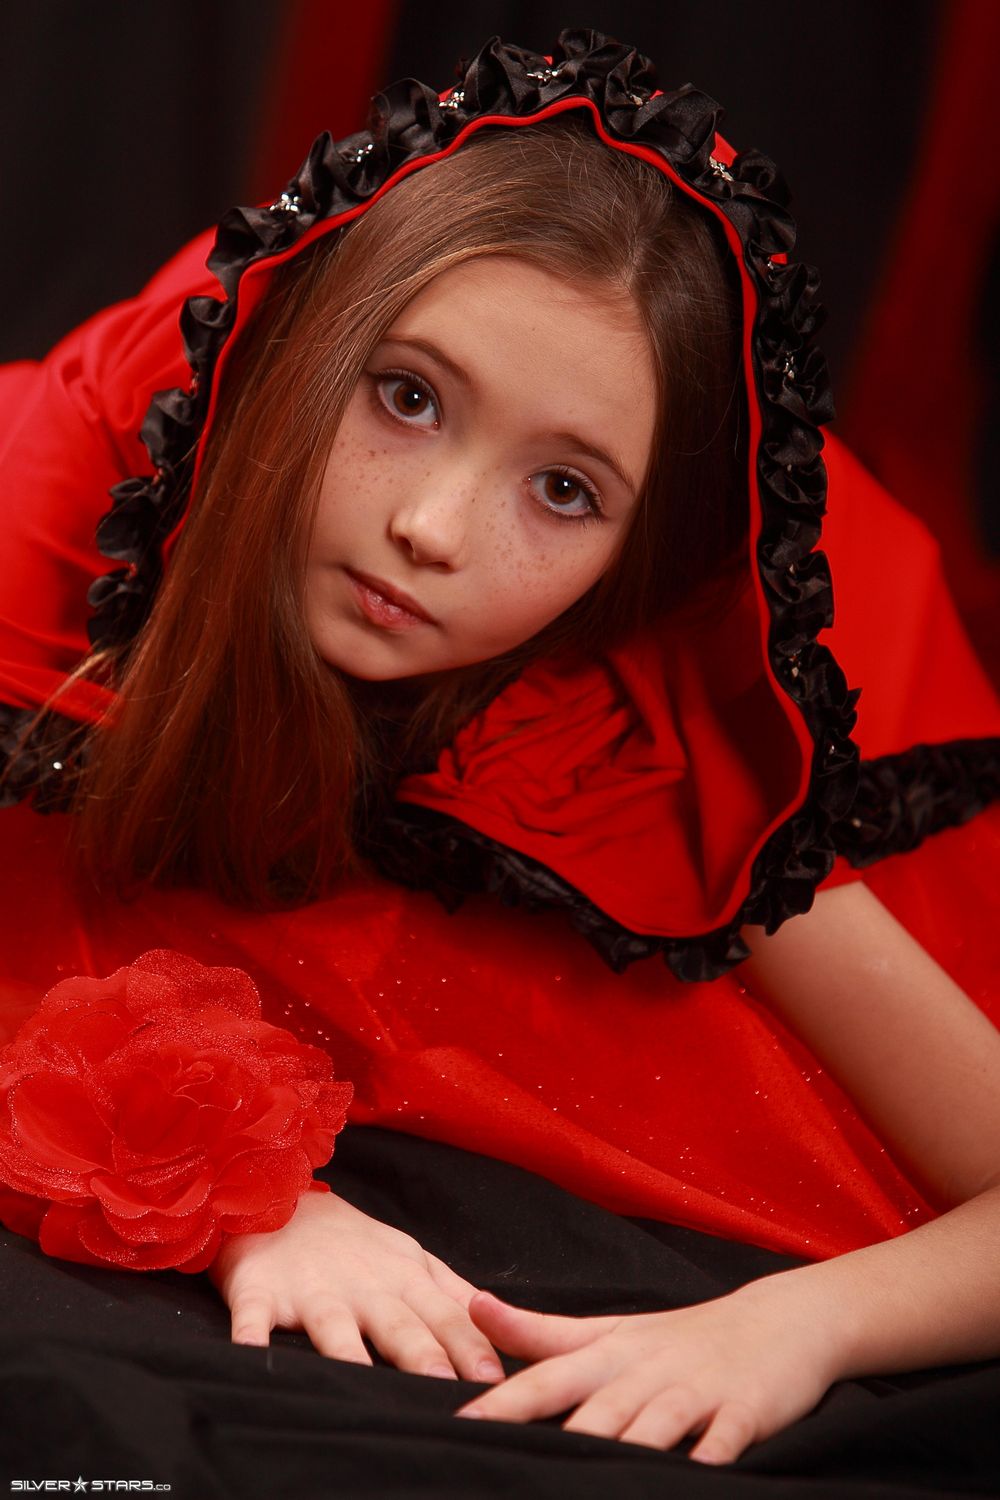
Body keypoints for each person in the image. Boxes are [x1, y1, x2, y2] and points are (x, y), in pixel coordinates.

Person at [1, 28, 999, 1477]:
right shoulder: (60, 552)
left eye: (565, 490)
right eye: (407, 397)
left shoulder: (626, 762)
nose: (433, 530)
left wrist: (788, 1331)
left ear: (636, 562)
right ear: (300, 337)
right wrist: (247, 1196)